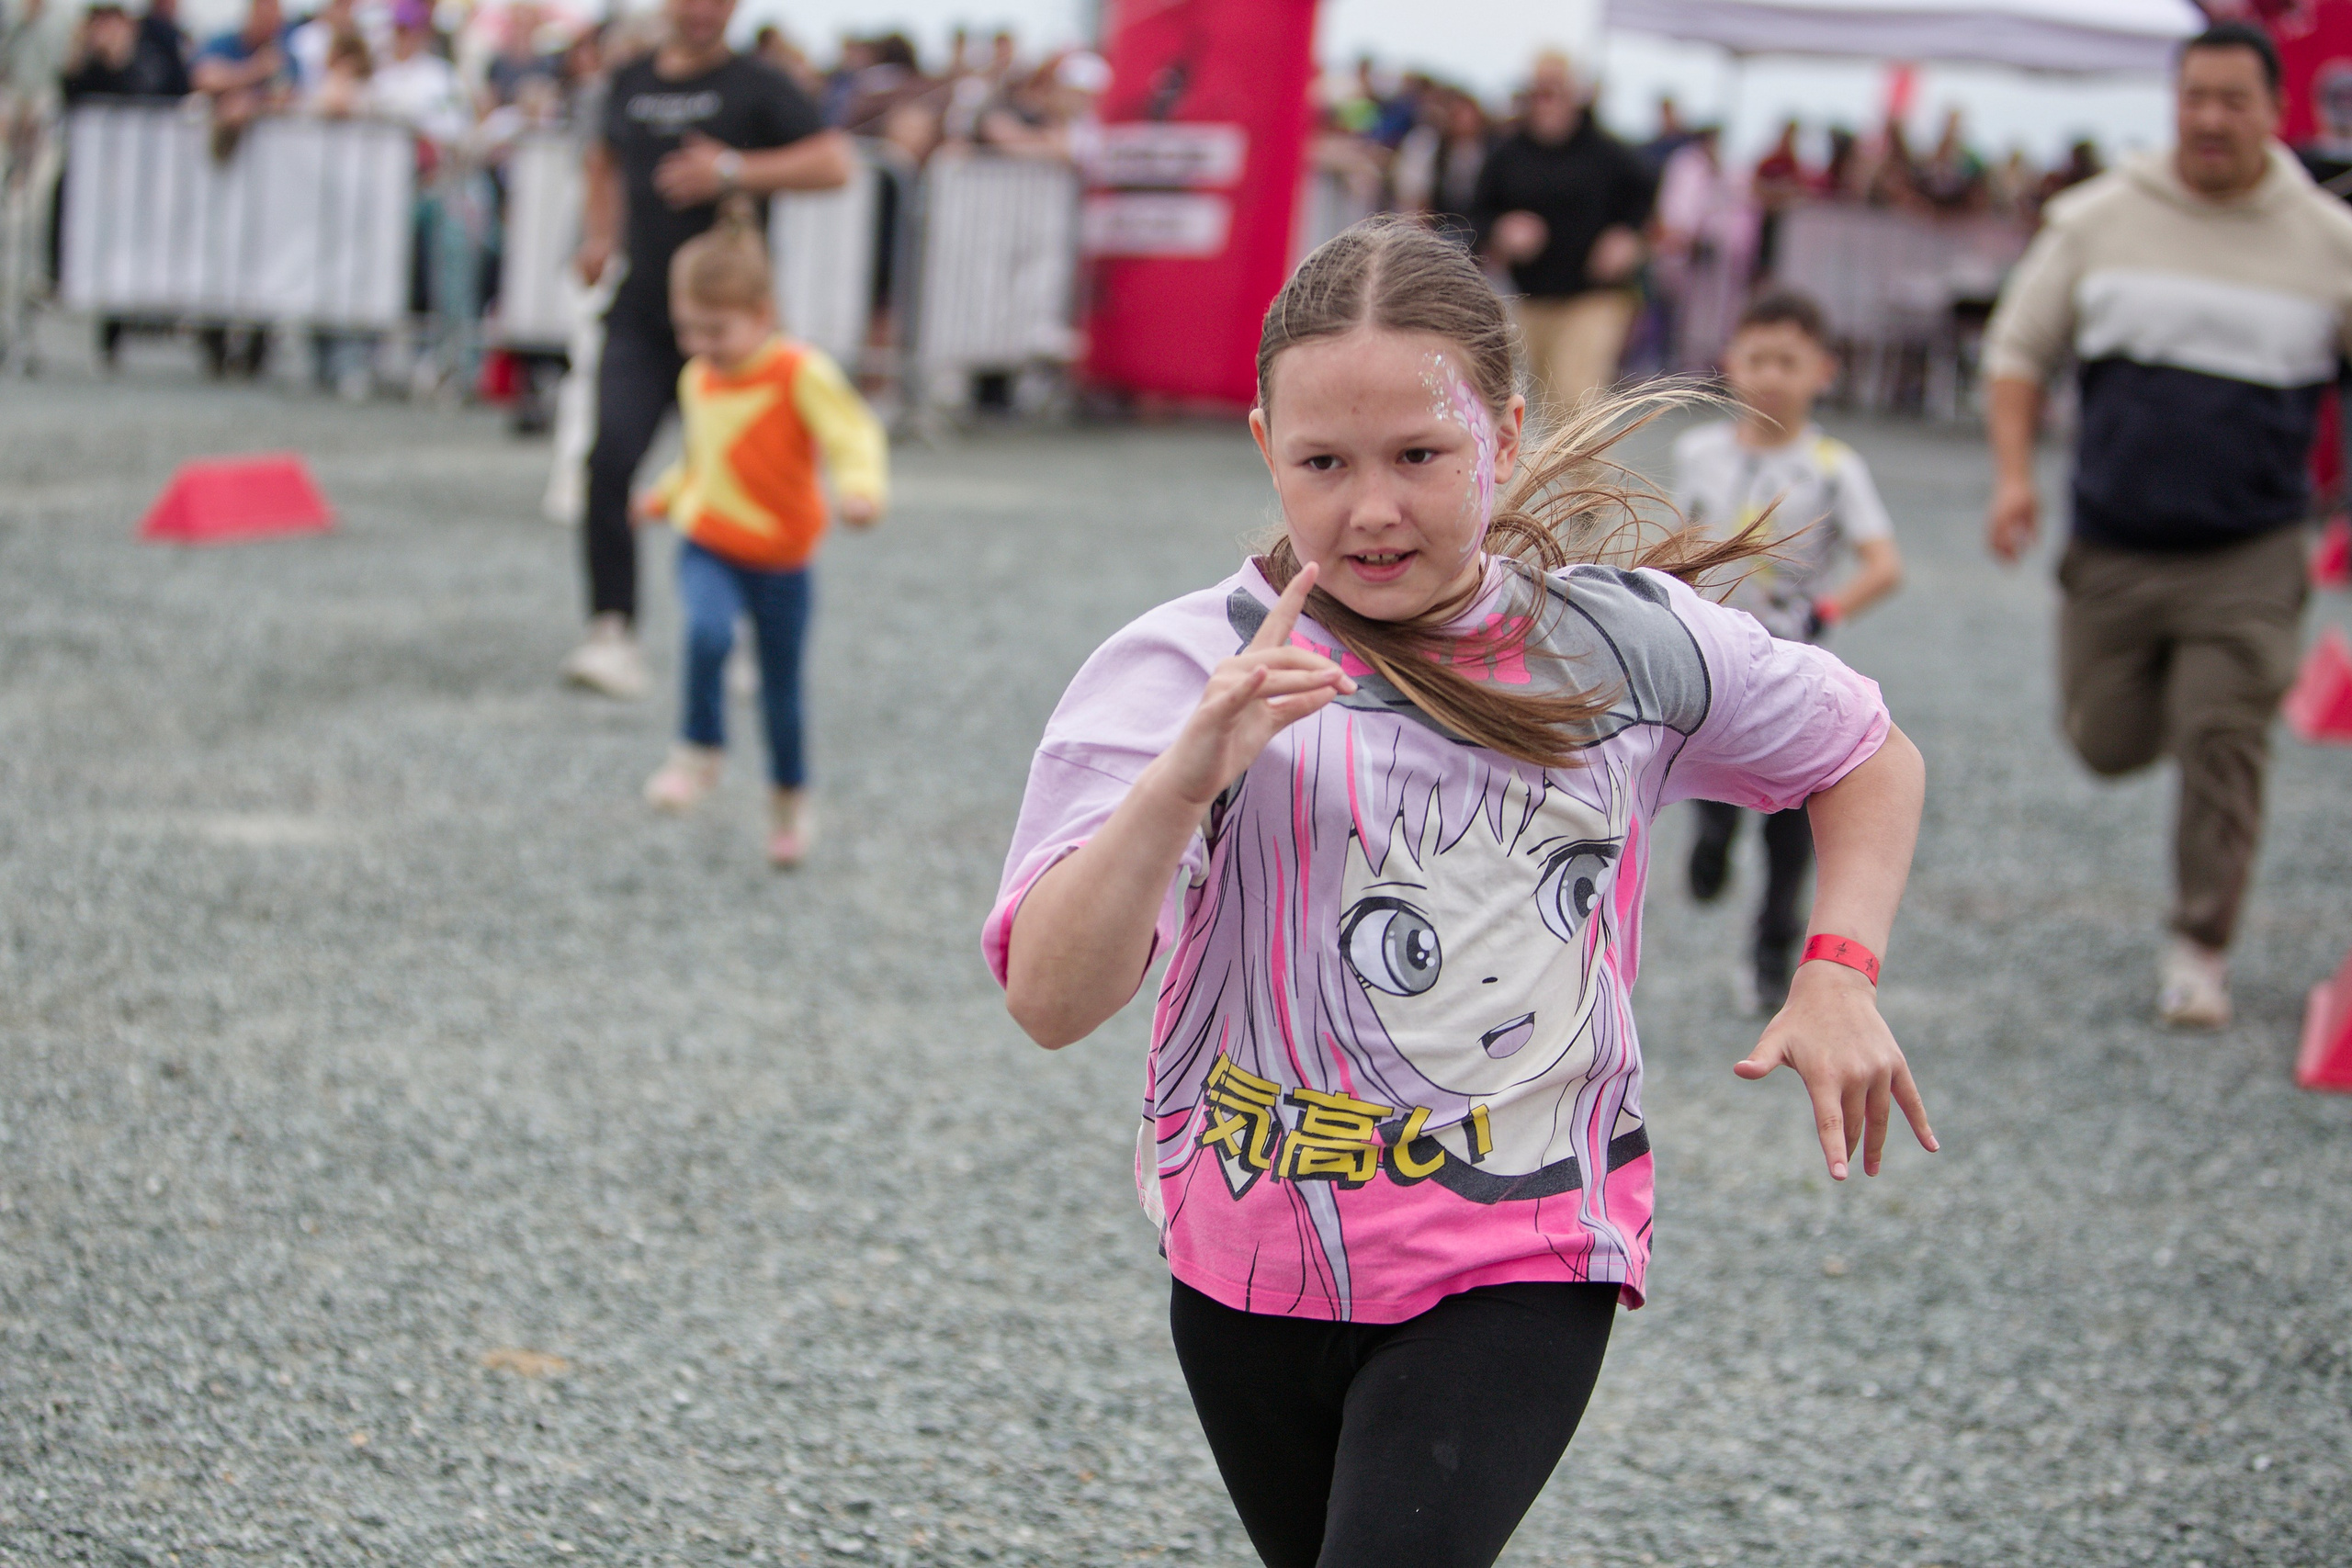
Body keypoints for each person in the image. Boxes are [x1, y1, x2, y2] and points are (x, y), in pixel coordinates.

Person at [987, 218, 1935, 1568]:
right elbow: (1049, 1000)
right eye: (1324, 463)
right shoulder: (1184, 666)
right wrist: (1183, 779)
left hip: (1524, 1245)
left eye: (1420, 457)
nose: (1372, 509)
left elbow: (1866, 752)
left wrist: (1839, 968)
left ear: (1503, 430)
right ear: (1265, 446)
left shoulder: (1615, 647)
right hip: (1254, 1242)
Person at [1982, 21, 2352, 1028]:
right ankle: (2167, 712)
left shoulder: (2328, 242)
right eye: (2195, 98)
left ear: (2276, 112)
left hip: (2252, 547)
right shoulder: (2099, 219)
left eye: (2234, 100)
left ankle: (2200, 946)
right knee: (2103, 738)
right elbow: (2018, 351)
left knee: (2223, 735)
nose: (2211, 119)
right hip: (2114, 542)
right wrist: (2012, 480)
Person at [562, 0, 848, 700]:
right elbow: (603, 162)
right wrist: (598, 236)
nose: (704, 12)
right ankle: (611, 630)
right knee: (609, 460)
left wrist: (732, 170)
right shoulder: (629, 79)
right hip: (642, 311)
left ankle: (745, 627)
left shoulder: (760, 84)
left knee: (742, 473)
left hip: (730, 328)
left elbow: (835, 164)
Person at [631, 202, 885, 866]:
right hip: (710, 542)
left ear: (763, 313)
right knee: (706, 632)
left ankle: (789, 798)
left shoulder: (799, 372)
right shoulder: (698, 378)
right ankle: (699, 750)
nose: (700, 345)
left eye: (716, 330)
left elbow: (851, 432)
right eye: (688, 329)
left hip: (781, 558)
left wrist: (860, 488)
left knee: (781, 690)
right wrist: (661, 498)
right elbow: (702, 460)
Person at [1674, 290, 1905, 1012]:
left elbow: (1884, 564)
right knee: (1711, 776)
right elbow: (1676, 538)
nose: (1771, 376)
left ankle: (1771, 957)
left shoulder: (1833, 465)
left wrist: (1825, 610)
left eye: (1789, 362)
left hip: (1795, 667)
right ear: (1730, 363)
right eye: (1758, 359)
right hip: (1713, 661)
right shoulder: (1698, 452)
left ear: (1823, 371)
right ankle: (1710, 836)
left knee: (1792, 826)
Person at [1469, 51, 1655, 419]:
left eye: (1556, 92)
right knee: (1546, 402)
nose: (1547, 103)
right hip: (1533, 296)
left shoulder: (1607, 151)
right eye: (1539, 93)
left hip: (1594, 294)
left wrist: (1627, 236)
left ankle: (1587, 460)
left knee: (1575, 397)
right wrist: (1503, 230)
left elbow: (1646, 196)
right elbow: (1477, 214)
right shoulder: (1507, 154)